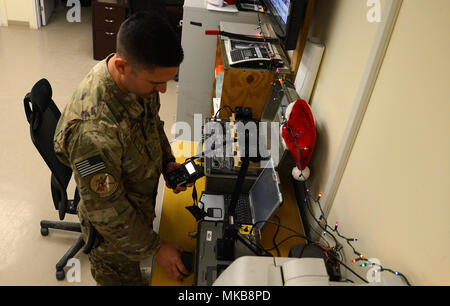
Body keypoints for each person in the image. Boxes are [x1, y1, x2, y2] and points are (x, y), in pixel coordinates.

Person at [54, 11, 191, 285]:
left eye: (168, 80)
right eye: (156, 83)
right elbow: (107, 210)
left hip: (134, 202)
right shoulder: (93, 132)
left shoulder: (136, 85)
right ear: (122, 65)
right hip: (112, 237)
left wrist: (166, 161)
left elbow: (152, 123)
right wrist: (156, 248)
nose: (164, 90)